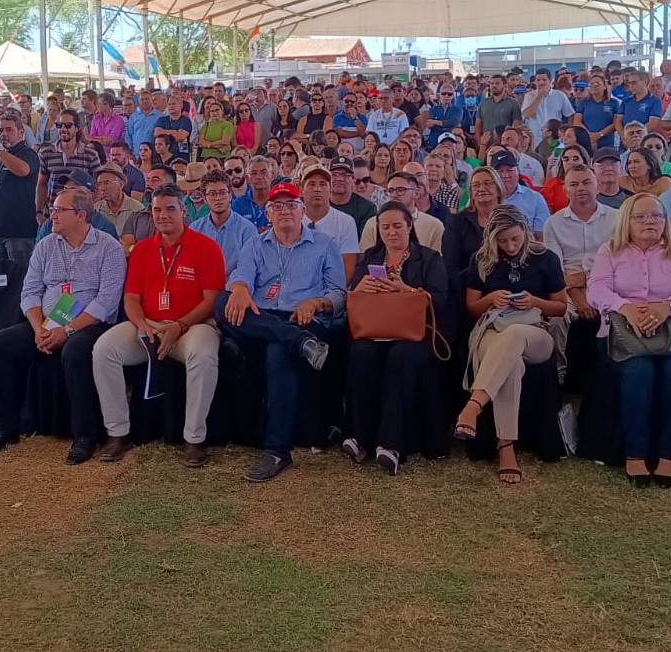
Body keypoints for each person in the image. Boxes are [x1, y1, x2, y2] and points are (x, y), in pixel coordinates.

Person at [0, 189, 125, 464]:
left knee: (76, 351)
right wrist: (38, 329)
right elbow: (30, 292)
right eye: (52, 208)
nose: (51, 214)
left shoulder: (108, 247)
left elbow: (105, 303)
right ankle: (4, 428)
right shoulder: (46, 244)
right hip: (46, 322)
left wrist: (66, 331)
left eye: (59, 210)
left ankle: (85, 435)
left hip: (89, 324)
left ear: (81, 215)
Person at [218, 181, 346, 482]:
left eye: (291, 204)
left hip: (304, 316)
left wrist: (315, 302)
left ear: (303, 210)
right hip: (263, 315)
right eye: (277, 205)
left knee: (278, 351)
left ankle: (277, 450)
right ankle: (300, 343)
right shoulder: (255, 244)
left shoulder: (325, 244)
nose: (285, 210)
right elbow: (242, 275)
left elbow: (339, 295)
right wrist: (238, 288)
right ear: (268, 213)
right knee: (221, 300)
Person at [91, 185, 225, 467]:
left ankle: (194, 437)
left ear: (183, 210)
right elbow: (131, 299)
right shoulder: (141, 250)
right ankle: (118, 433)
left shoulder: (207, 247)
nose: (163, 215)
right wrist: (142, 326)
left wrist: (180, 324)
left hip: (193, 326)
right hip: (148, 325)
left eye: (170, 209)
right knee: (104, 349)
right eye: (157, 210)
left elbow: (212, 301)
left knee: (203, 355)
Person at [586, 194, 671, 487]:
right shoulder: (610, 251)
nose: (650, 221)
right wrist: (624, 307)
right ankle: (635, 453)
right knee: (639, 372)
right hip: (622, 336)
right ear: (627, 220)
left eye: (656, 216)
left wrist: (668, 306)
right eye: (641, 216)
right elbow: (596, 290)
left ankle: (669, 454)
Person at [454, 205, 568, 485]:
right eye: (503, 241)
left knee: (516, 333)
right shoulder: (482, 259)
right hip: (490, 329)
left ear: (526, 233)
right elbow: (471, 308)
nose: (510, 245)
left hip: (534, 331)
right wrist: (490, 299)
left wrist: (536, 302)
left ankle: (474, 405)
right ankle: (506, 448)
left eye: (515, 239)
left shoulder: (546, 258)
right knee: (511, 363)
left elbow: (561, 307)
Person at [341, 201, 458, 474]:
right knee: (361, 352)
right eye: (385, 227)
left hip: (416, 333)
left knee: (402, 356)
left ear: (409, 227)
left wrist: (407, 290)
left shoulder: (429, 258)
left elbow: (442, 300)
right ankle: (360, 437)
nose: (391, 233)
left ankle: (391, 444)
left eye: (397, 226)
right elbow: (354, 297)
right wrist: (360, 287)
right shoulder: (370, 256)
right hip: (376, 329)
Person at [542, 165, 618, 390]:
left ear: (597, 185)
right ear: (565, 189)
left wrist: (584, 279)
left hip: (609, 284)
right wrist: (578, 297)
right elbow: (555, 272)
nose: (581, 188)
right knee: (556, 318)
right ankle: (558, 376)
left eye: (586, 182)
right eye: (574, 184)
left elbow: (619, 264)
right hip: (566, 290)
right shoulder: (553, 224)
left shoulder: (616, 218)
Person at [0, 111, 39, 263]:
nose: (4, 134)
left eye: (9, 130)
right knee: (0, 279)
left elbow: (23, 170)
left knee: (18, 278)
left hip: (18, 231)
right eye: (0, 130)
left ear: (21, 133)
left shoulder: (27, 153)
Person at [189, 169, 260, 270]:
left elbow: (250, 268)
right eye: (212, 194)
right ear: (205, 198)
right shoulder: (195, 229)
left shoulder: (247, 230)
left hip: (236, 283)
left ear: (230, 195)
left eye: (222, 193)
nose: (218, 198)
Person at [490, 150, 550, 234]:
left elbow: (541, 235)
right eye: (499, 171)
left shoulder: (535, 198)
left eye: (510, 170)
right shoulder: (484, 197)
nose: (505, 175)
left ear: (518, 172)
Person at [94, 163, 151, 249]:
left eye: (107, 183)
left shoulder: (137, 209)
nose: (102, 188)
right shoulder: (95, 210)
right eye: (99, 184)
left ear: (121, 184)